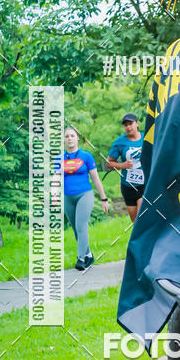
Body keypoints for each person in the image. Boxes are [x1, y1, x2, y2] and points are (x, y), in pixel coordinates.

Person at [54, 126, 109, 270]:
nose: (70, 138)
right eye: (67, 136)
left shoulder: (86, 156)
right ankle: (89, 255)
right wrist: (54, 197)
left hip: (85, 195)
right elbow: (56, 179)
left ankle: (81, 259)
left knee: (81, 226)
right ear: (64, 140)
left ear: (77, 138)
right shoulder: (59, 159)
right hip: (68, 198)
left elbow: (96, 179)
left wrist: (104, 199)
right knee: (75, 229)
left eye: (72, 136)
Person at [107, 113, 145, 221]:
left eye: (130, 124)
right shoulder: (119, 142)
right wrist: (122, 165)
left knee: (141, 217)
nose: (128, 127)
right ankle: (138, 238)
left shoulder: (147, 139)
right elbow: (109, 163)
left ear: (137, 123)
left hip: (144, 184)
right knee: (135, 222)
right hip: (128, 186)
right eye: (125, 125)